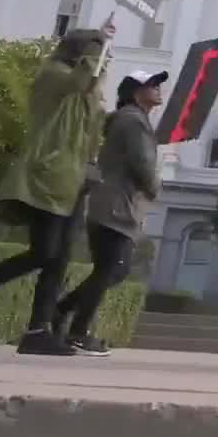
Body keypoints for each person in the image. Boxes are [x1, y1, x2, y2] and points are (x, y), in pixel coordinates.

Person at [0, 20, 114, 355]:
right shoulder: (53, 74)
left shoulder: (85, 87)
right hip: (47, 174)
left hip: (73, 178)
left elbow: (91, 112)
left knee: (58, 258)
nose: (102, 62)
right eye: (96, 54)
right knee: (45, 253)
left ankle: (37, 330)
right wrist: (97, 49)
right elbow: (79, 83)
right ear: (80, 52)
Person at [53, 70, 165, 355]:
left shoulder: (131, 119)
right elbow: (141, 162)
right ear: (136, 91)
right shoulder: (133, 121)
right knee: (111, 269)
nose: (158, 88)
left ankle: (64, 310)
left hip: (112, 203)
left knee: (113, 269)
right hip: (116, 205)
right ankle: (77, 330)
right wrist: (154, 187)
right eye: (152, 84)